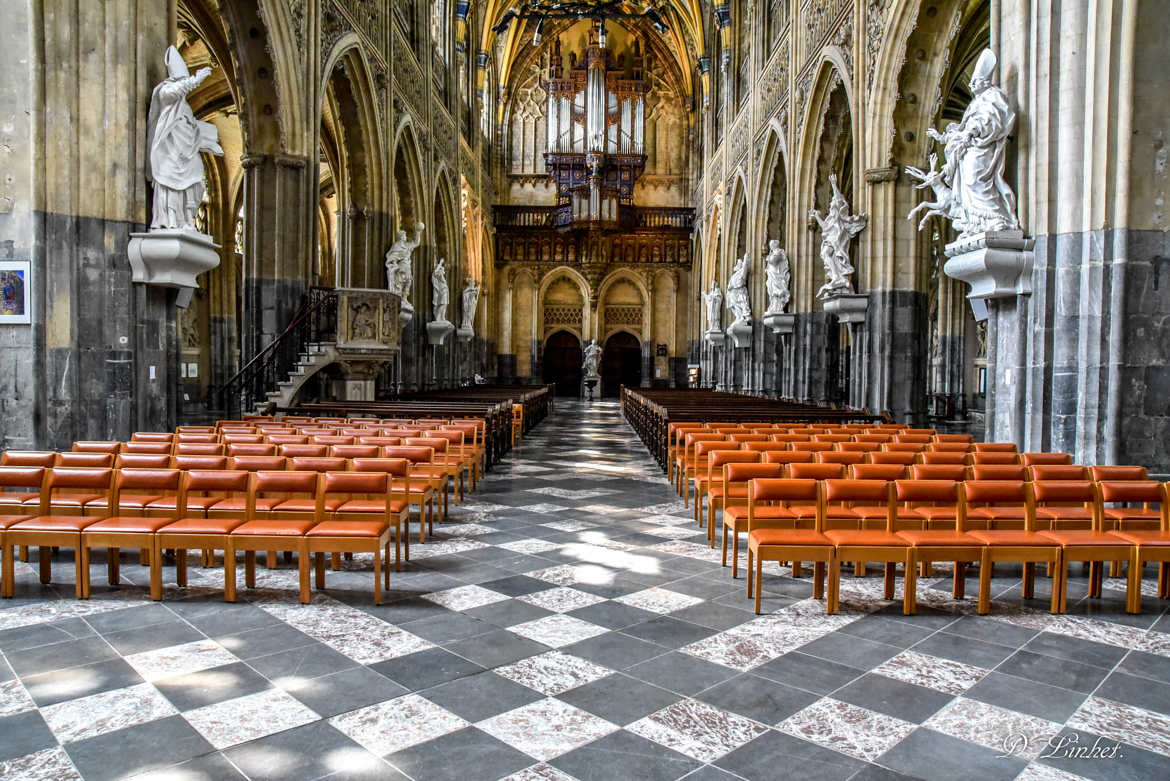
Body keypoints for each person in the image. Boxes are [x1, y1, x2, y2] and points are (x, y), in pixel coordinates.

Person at [146, 47, 223, 230]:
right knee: (170, 184)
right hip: (169, 154)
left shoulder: (185, 107)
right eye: (181, 79)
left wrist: (210, 143)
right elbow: (176, 92)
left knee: (197, 182)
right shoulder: (164, 93)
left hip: (186, 154)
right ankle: (170, 220)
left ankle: (187, 219)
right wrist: (195, 80)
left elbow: (194, 130)